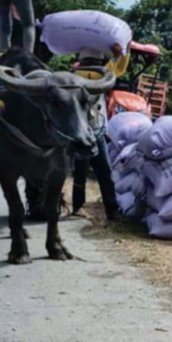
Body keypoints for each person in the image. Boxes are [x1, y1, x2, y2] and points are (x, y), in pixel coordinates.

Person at [71, 47, 130, 220]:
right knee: (105, 172)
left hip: (81, 131)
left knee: (81, 171)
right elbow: (121, 66)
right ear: (100, 61)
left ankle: (78, 206)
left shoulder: (74, 76)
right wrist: (123, 49)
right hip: (95, 132)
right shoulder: (106, 74)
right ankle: (111, 210)